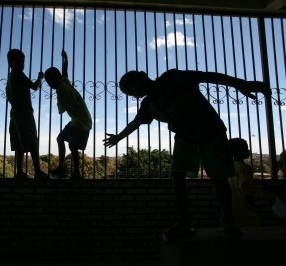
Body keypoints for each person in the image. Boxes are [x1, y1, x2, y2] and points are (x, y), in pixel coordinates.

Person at [103, 69, 270, 242]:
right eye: (129, 92)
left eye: (132, 86)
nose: (134, 93)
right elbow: (136, 122)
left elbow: (207, 76)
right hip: (185, 136)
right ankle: (184, 223)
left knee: (219, 179)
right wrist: (118, 137)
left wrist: (241, 84)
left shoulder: (172, 78)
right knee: (177, 176)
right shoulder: (148, 104)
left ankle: (229, 223)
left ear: (143, 75)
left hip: (210, 131)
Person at [44, 50, 92, 180]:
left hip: (80, 122)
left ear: (54, 80)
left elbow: (60, 110)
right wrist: (65, 60)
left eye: (49, 83)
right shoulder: (64, 80)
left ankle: (75, 172)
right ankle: (63, 169)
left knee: (72, 145)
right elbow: (64, 71)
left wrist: (59, 100)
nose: (50, 86)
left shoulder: (61, 90)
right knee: (63, 140)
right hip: (81, 119)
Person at [6, 49, 48, 181]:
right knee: (31, 141)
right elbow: (34, 86)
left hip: (14, 112)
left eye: (22, 61)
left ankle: (19, 173)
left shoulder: (11, 76)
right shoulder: (18, 74)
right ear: (11, 63)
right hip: (24, 112)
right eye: (20, 61)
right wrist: (40, 78)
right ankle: (38, 172)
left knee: (19, 143)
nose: (21, 63)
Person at [228, 137, 260, 227]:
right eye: (245, 148)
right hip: (243, 205)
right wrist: (251, 202)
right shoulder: (245, 167)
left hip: (230, 205)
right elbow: (244, 187)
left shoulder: (229, 166)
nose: (248, 150)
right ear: (238, 151)